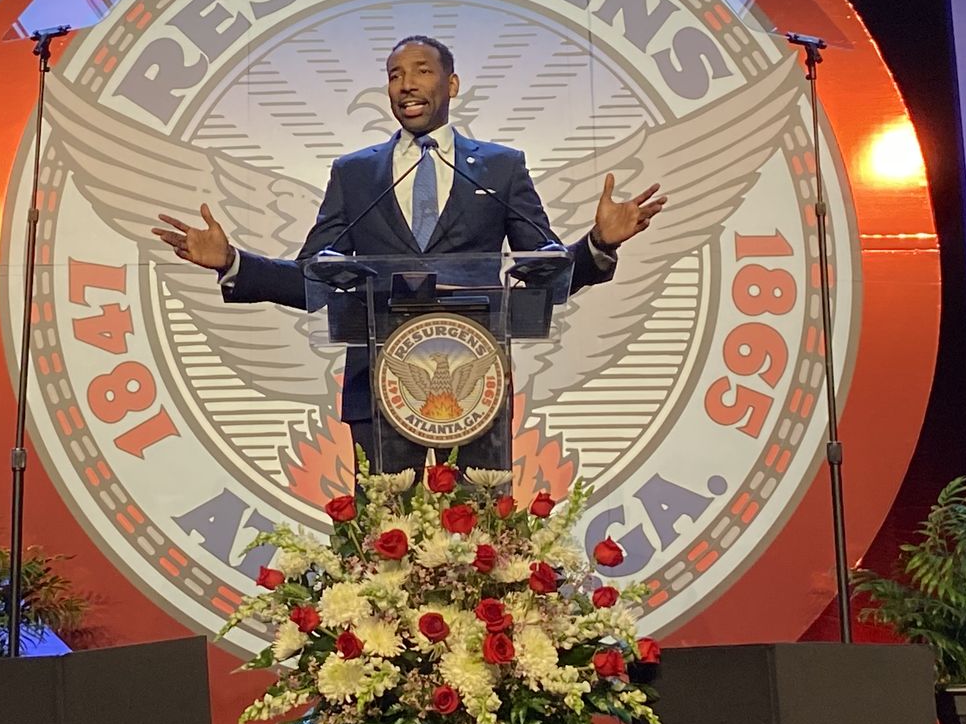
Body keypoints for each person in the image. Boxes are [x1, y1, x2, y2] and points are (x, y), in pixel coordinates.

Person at [154, 35, 666, 473]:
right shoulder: (355, 173)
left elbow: (544, 274)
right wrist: (232, 262)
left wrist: (599, 244)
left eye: (422, 71)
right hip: (378, 387)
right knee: (383, 544)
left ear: (452, 85)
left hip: (475, 387)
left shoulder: (500, 168)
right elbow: (315, 278)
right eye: (395, 75)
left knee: (480, 543)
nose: (407, 84)